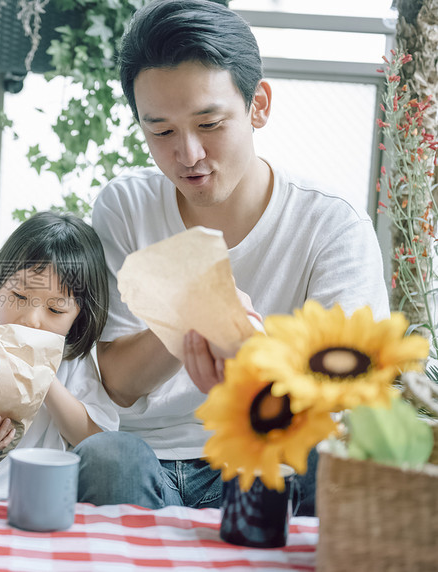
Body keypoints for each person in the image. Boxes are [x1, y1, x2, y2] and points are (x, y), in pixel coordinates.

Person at [74, 0, 389, 516]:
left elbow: (348, 400)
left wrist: (258, 354)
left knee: (332, 458)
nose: (189, 154)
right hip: (150, 458)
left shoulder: (331, 224)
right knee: (105, 458)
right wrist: (191, 315)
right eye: (161, 131)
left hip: (271, 455)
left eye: (210, 123)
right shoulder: (126, 206)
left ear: (258, 105)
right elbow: (119, 385)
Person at [0, 212, 119, 499]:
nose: (31, 319)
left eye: (55, 310)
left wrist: (43, 375)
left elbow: (97, 443)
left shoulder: (73, 365)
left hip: (47, 501)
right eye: (18, 296)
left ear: (79, 317)